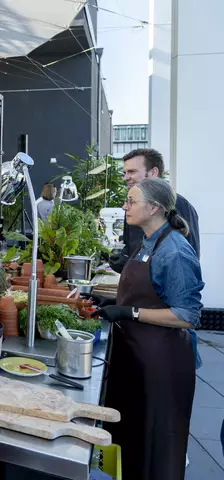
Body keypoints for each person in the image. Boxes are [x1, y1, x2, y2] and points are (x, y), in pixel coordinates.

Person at [92, 178, 203, 480]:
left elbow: (187, 315)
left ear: (154, 207)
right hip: (135, 356)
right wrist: (109, 299)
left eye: (131, 201)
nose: (125, 207)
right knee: (131, 434)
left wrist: (130, 311)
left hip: (160, 364)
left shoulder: (176, 252)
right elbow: (148, 289)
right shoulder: (149, 240)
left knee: (154, 441)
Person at [111, 148, 199, 272]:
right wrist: (123, 260)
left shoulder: (178, 204)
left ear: (153, 172)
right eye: (124, 173)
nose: (125, 178)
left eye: (131, 172)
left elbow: (189, 259)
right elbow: (131, 246)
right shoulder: (132, 205)